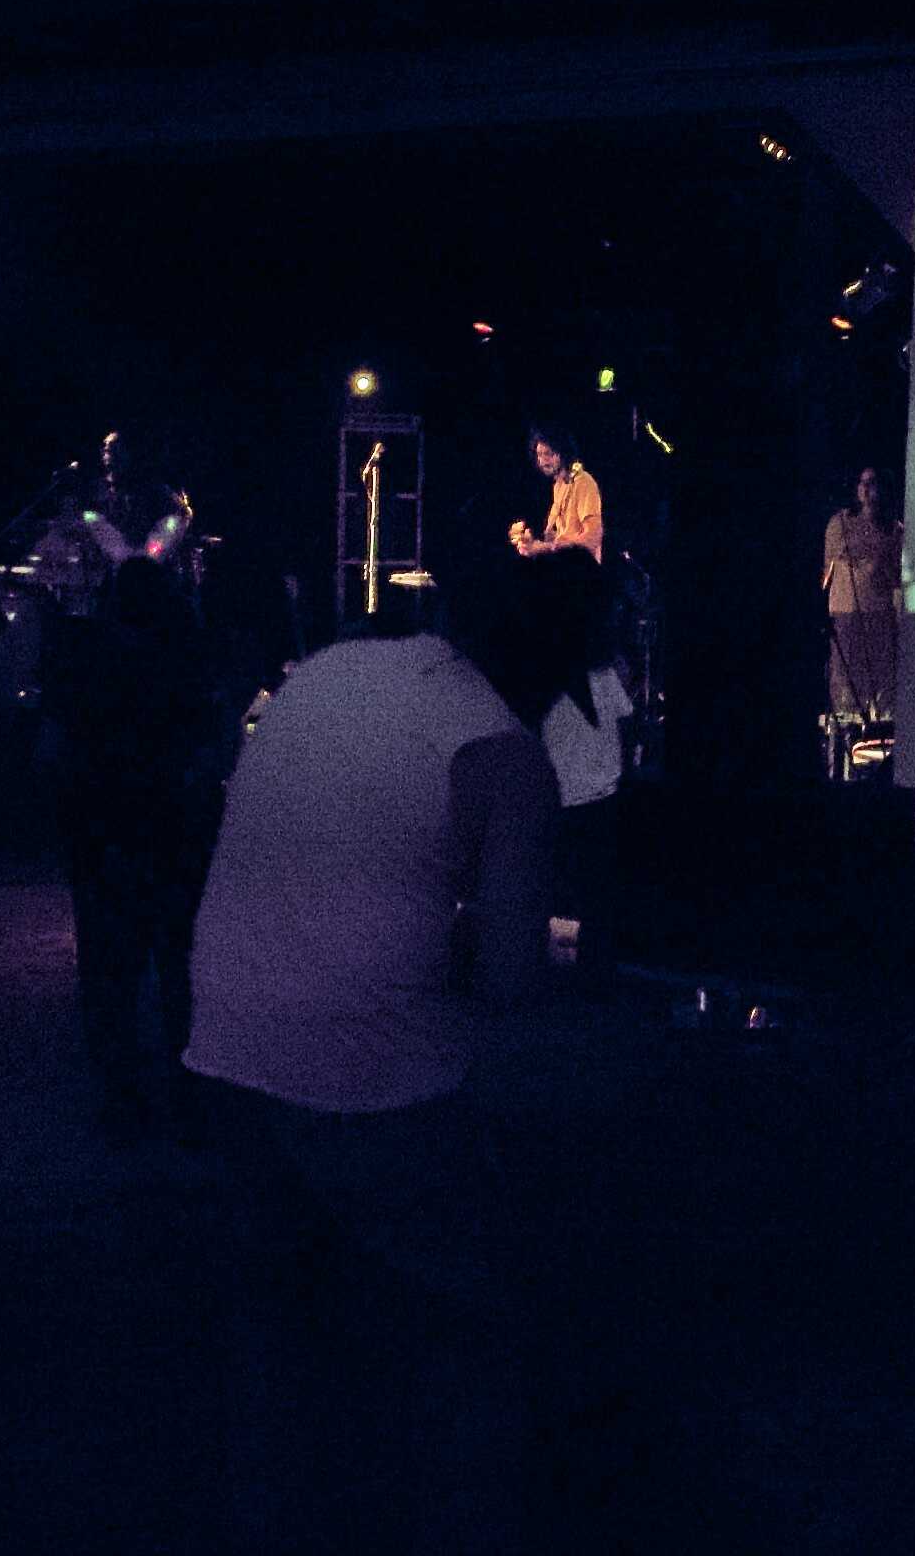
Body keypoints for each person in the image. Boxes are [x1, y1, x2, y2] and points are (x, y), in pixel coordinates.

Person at [185, 548, 576, 1553]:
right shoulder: (505, 755)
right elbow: (510, 979)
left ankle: (269, 1512)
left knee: (273, 1322)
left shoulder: (329, 669)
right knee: (468, 1317)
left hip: (224, 1034)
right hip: (364, 1065)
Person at [42, 555, 235, 1143]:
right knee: (181, 968)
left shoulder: (85, 664)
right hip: (177, 832)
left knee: (109, 972)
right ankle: (190, 1097)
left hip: (104, 834)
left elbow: (55, 749)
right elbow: (218, 747)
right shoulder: (191, 664)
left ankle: (122, 1101)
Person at [539, 557, 631, 991]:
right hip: (596, 797)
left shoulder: (547, 671)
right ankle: (595, 976)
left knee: (562, 891)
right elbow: (622, 727)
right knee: (597, 898)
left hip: (565, 795)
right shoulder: (600, 672)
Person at [824, 466, 904, 723]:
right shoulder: (840, 523)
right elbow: (829, 567)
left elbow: (896, 577)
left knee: (878, 680)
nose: (867, 489)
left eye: (873, 482)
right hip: (845, 612)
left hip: (878, 614)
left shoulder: (894, 530)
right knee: (846, 678)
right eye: (862, 482)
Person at [511, 428, 603, 562]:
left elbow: (593, 538)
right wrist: (532, 543)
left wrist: (545, 547)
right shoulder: (558, 486)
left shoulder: (583, 482)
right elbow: (566, 538)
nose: (542, 461)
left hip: (583, 570)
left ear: (563, 453)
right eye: (539, 455)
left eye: (548, 454)